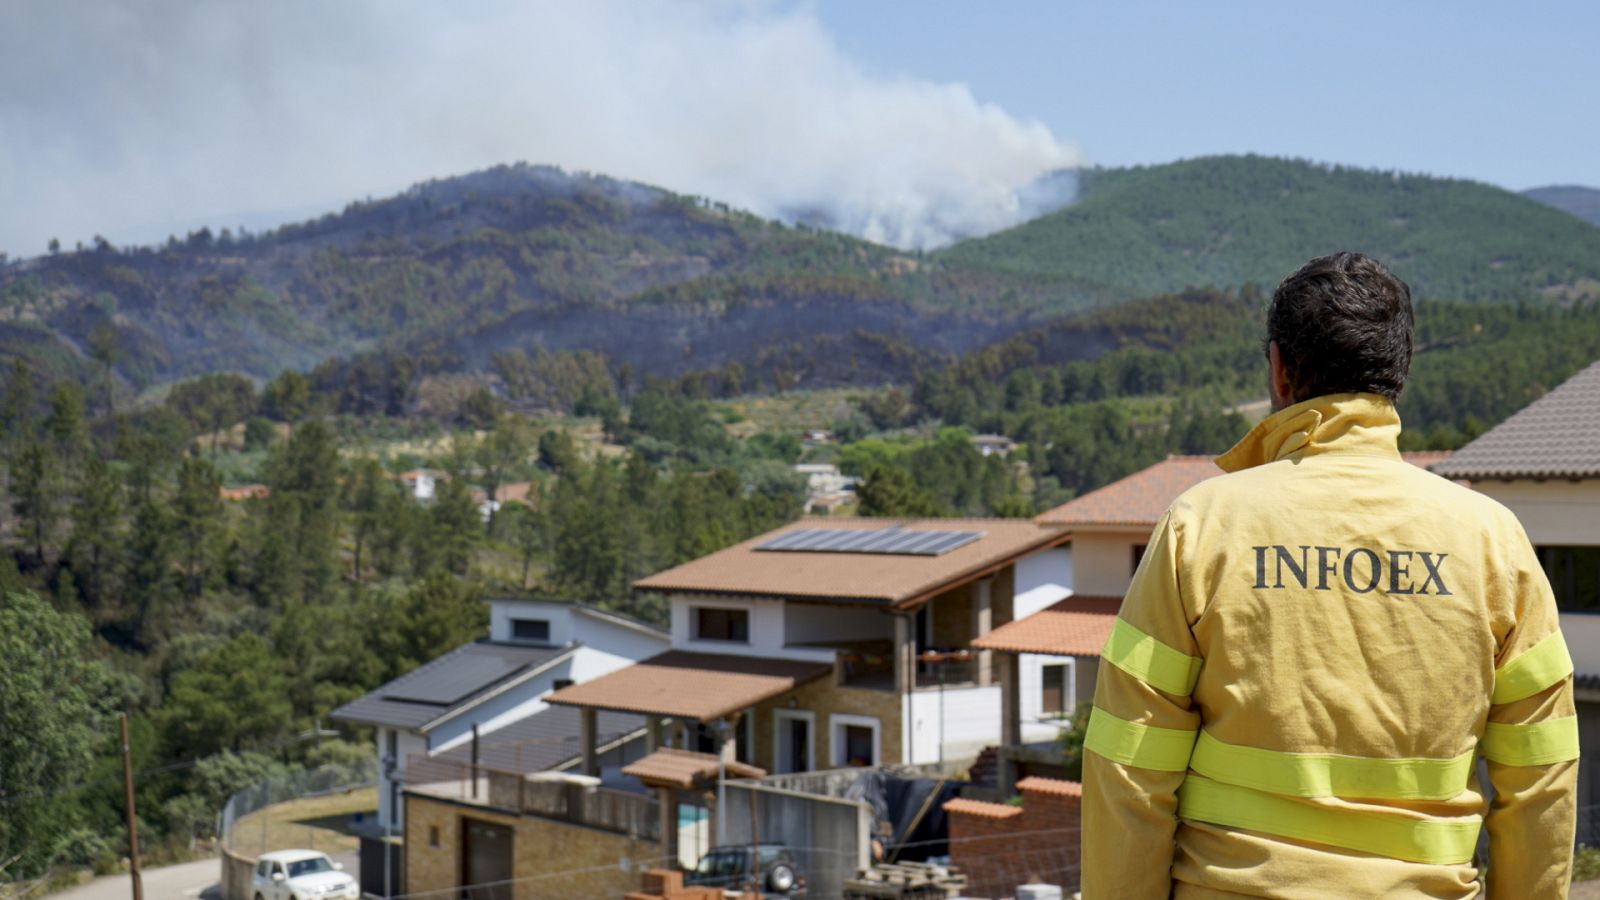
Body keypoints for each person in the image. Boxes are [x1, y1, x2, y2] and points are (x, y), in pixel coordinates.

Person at [1080, 252, 1579, 898]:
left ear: (1280, 370)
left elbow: (1128, 765)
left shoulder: (1200, 527)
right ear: (1396, 376)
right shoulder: (1492, 541)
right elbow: (1542, 777)